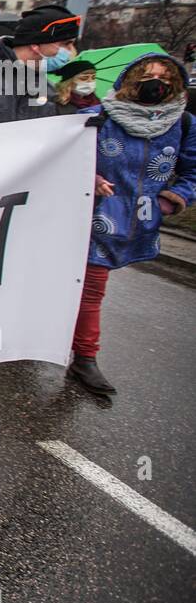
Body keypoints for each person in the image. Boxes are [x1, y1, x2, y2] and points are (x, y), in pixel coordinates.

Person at [70, 52, 195, 396]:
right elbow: (61, 154)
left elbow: (192, 171)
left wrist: (174, 197)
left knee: (85, 288)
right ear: (130, 81)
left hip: (139, 221)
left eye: (165, 80)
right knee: (91, 289)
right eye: (148, 77)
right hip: (91, 216)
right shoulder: (96, 118)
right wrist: (89, 176)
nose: (156, 84)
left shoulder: (183, 125)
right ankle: (85, 356)